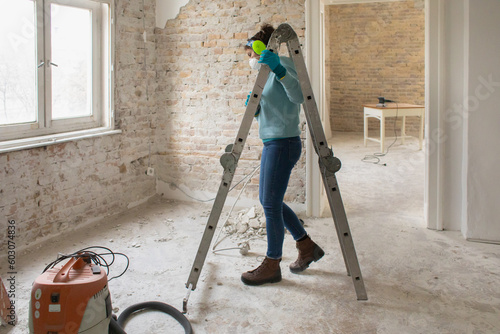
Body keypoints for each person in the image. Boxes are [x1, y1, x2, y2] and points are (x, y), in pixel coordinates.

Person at [241, 24, 324, 286]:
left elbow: (299, 96)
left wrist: (278, 69)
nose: (250, 60)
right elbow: (276, 107)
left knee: (269, 203)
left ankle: (272, 263)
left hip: (283, 143)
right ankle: (306, 245)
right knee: (270, 201)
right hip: (274, 142)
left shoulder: (283, 64)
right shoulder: (264, 76)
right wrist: (256, 110)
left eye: (251, 54)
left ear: (261, 48)